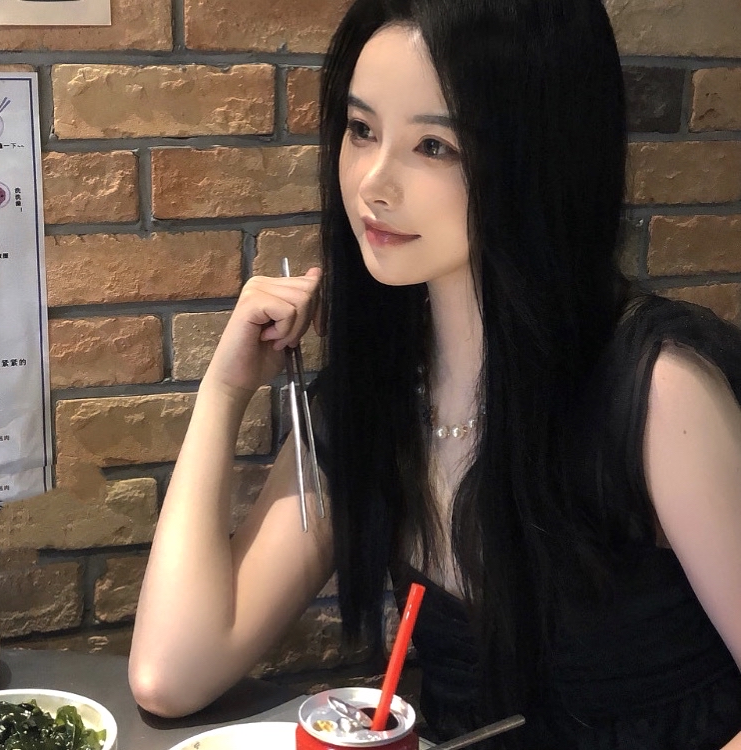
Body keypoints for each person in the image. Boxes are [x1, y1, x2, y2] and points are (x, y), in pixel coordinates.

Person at [128, 0, 741, 747]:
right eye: (362, 130)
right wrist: (223, 393)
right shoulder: (378, 394)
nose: (373, 182)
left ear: (538, 156)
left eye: (434, 146)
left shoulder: (655, 391)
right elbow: (170, 673)